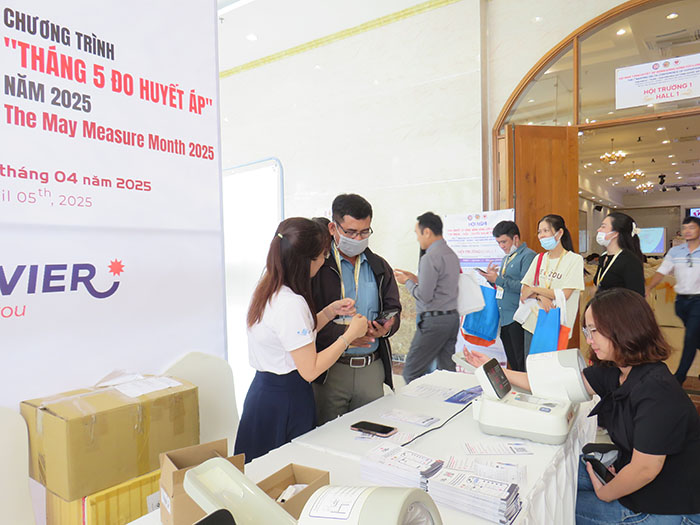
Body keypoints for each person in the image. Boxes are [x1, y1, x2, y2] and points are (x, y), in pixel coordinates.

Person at [464, 288, 700, 524]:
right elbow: (556, 384)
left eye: (594, 331)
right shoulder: (619, 370)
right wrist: (498, 370)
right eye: (588, 331)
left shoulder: (657, 391)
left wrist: (606, 493)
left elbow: (645, 469)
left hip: (667, 504)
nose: (588, 339)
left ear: (624, 327)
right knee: (550, 482)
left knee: (549, 507)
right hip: (637, 478)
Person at [234, 218, 368, 462]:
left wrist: (329, 311)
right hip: (286, 397)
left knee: (258, 468)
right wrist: (349, 335)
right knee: (284, 469)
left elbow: (295, 335)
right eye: (322, 256)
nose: (323, 261)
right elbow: (310, 369)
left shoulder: (268, 288)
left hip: (263, 393)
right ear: (305, 260)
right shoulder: (291, 304)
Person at [311, 194, 401, 424]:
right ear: (333, 228)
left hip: (371, 367)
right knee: (324, 435)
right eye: (350, 232)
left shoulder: (379, 266)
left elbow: (393, 308)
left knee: (371, 433)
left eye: (364, 232)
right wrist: (346, 335)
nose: (358, 239)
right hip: (330, 369)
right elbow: (307, 323)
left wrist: (386, 327)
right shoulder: (318, 267)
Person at [394, 212, 460, 383]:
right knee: (447, 372)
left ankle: (421, 400)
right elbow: (441, 285)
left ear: (427, 232)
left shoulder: (429, 258)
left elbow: (424, 296)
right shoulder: (451, 255)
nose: (417, 239)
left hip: (434, 322)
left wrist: (407, 282)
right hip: (451, 319)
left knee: (411, 371)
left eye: (418, 234)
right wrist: (416, 279)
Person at [519, 214, 584, 355]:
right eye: (539, 232)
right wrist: (541, 297)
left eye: (546, 231)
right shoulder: (539, 258)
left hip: (556, 326)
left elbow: (564, 294)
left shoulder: (574, 260)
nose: (541, 235)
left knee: (551, 366)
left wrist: (535, 289)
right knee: (530, 366)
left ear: (559, 233)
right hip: (532, 324)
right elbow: (524, 292)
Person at [646, 216, 700, 385]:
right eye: (685, 228)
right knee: (695, 336)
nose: (687, 231)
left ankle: (679, 377)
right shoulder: (675, 252)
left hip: (698, 301)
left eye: (692, 227)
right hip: (681, 302)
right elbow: (661, 272)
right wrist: (648, 287)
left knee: (690, 337)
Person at [478, 220, 536, 372]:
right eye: (498, 243)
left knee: (522, 362)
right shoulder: (506, 258)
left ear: (515, 238)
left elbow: (526, 287)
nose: (501, 246)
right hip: (504, 317)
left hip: (518, 317)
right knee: (513, 361)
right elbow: (504, 286)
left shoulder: (528, 256)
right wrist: (491, 279)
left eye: (504, 242)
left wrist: (497, 279)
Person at [593, 212, 645, 296]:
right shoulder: (604, 257)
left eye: (603, 227)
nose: (598, 230)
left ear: (615, 233)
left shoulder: (629, 261)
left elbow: (637, 296)